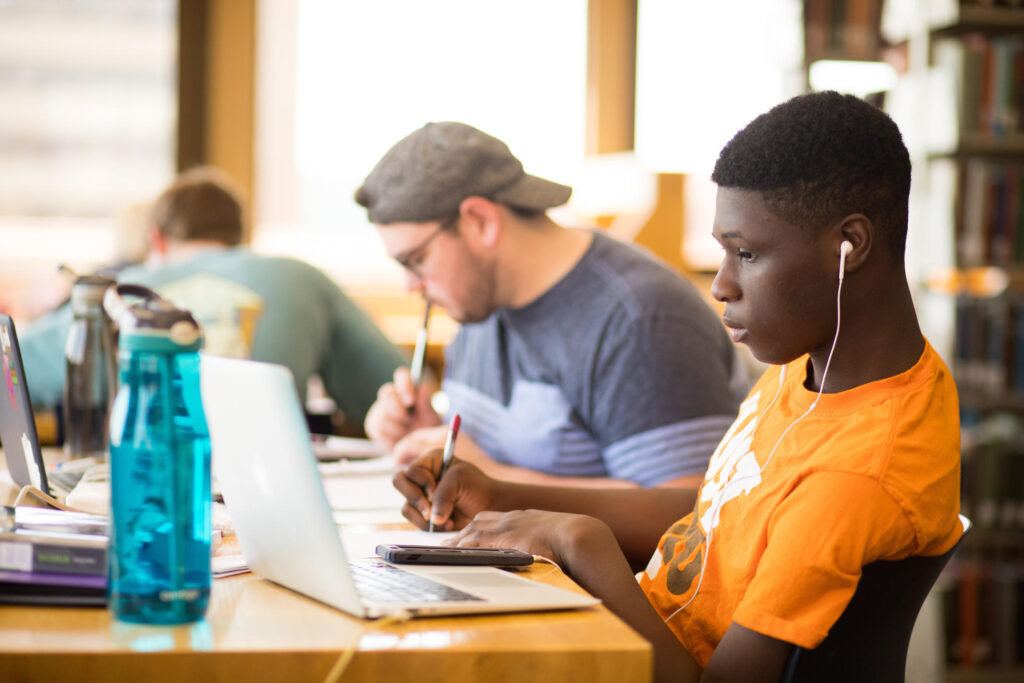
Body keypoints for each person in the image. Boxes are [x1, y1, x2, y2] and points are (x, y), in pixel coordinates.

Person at [391, 92, 963, 683]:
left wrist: (580, 539)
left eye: (746, 253)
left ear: (851, 246)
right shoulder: (817, 371)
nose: (720, 285)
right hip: (631, 631)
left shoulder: (853, 476)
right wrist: (502, 496)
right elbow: (716, 515)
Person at [356, 122, 747, 488]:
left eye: (416, 260)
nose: (411, 285)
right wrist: (428, 434)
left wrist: (493, 482)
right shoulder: (477, 300)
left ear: (480, 222)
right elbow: (502, 454)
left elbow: (689, 517)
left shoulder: (643, 320)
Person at [19, 166, 407, 430]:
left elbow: (18, 366)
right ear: (242, 238)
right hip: (270, 496)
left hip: (151, 484)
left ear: (155, 238)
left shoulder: (125, 291)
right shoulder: (300, 277)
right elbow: (395, 392)